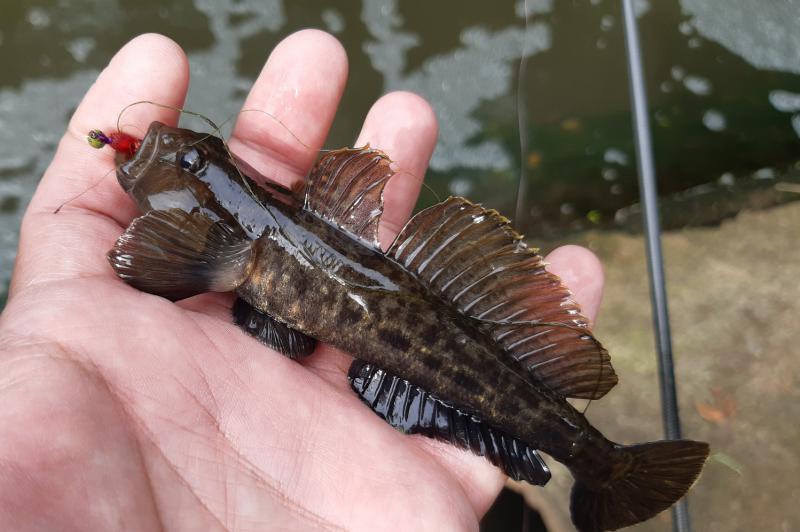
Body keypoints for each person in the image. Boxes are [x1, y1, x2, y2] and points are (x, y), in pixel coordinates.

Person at [0, 31, 604, 530]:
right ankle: (591, 458)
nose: (164, 148)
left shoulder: (224, 251)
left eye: (194, 157)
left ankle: (595, 459)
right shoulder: (236, 244)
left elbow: (147, 264)